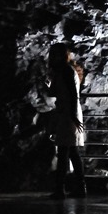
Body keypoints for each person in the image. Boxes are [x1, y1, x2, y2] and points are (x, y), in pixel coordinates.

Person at [46, 43, 86, 199]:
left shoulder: (66, 71)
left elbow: (72, 95)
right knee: (72, 152)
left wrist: (74, 116)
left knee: (64, 152)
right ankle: (80, 187)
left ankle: (60, 189)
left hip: (68, 114)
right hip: (68, 113)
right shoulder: (65, 71)